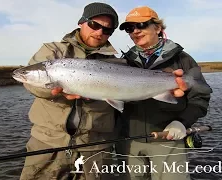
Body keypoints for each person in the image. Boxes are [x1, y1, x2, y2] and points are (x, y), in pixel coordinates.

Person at [19, 3, 188, 180]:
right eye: (94, 25)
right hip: (48, 141)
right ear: (81, 22)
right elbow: (31, 85)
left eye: (107, 30)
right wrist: (56, 92)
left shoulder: (117, 62)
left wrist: (168, 90)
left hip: (96, 147)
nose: (100, 32)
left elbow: (133, 96)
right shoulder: (53, 51)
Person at [117, 6, 212, 180]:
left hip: (167, 140)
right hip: (129, 143)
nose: (135, 31)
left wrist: (182, 122)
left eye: (142, 25)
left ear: (158, 28)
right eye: (130, 28)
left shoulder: (182, 59)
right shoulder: (123, 63)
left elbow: (201, 97)